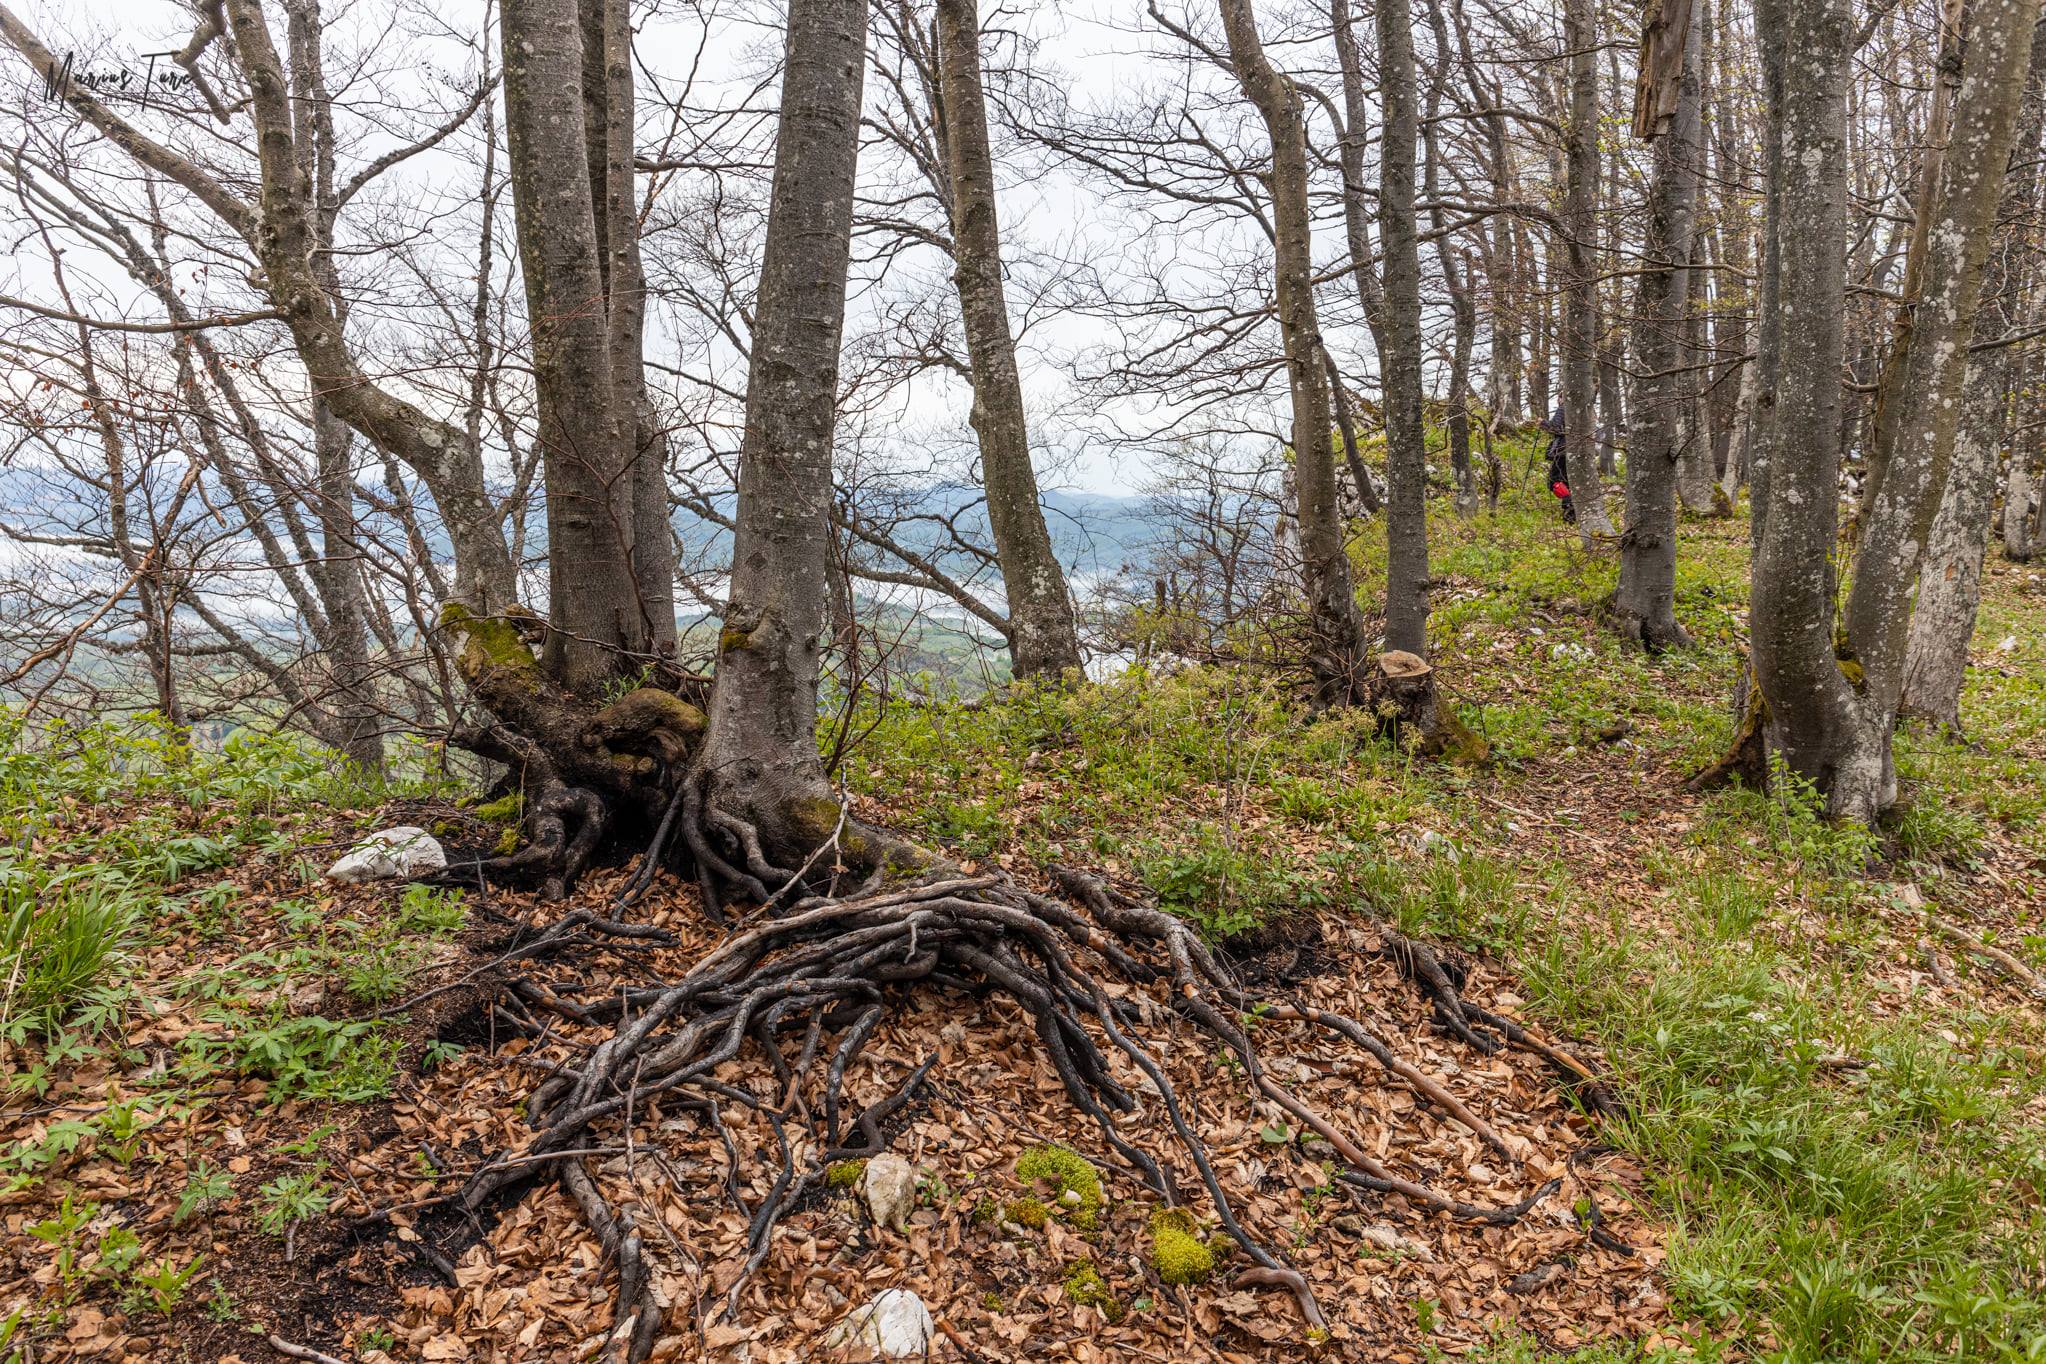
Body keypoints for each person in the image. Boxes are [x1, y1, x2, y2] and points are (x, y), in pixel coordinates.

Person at [1538, 406, 1574, 524]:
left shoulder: (1564, 408)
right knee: (1570, 481)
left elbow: (1556, 427)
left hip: (1562, 451)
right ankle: (1573, 508)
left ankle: (1570, 507)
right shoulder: (1585, 408)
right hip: (1579, 451)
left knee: (1554, 481)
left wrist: (1543, 423)